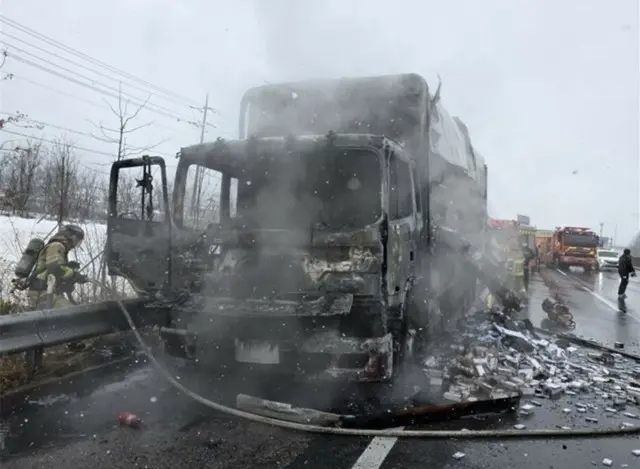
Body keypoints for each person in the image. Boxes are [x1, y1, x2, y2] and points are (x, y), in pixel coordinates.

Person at [26, 224, 89, 310]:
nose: (75, 245)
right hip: (43, 293)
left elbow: (56, 271)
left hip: (48, 291)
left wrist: (70, 271)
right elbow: (55, 267)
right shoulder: (57, 245)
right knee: (70, 316)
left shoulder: (59, 247)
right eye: (76, 240)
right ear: (70, 237)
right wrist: (74, 274)